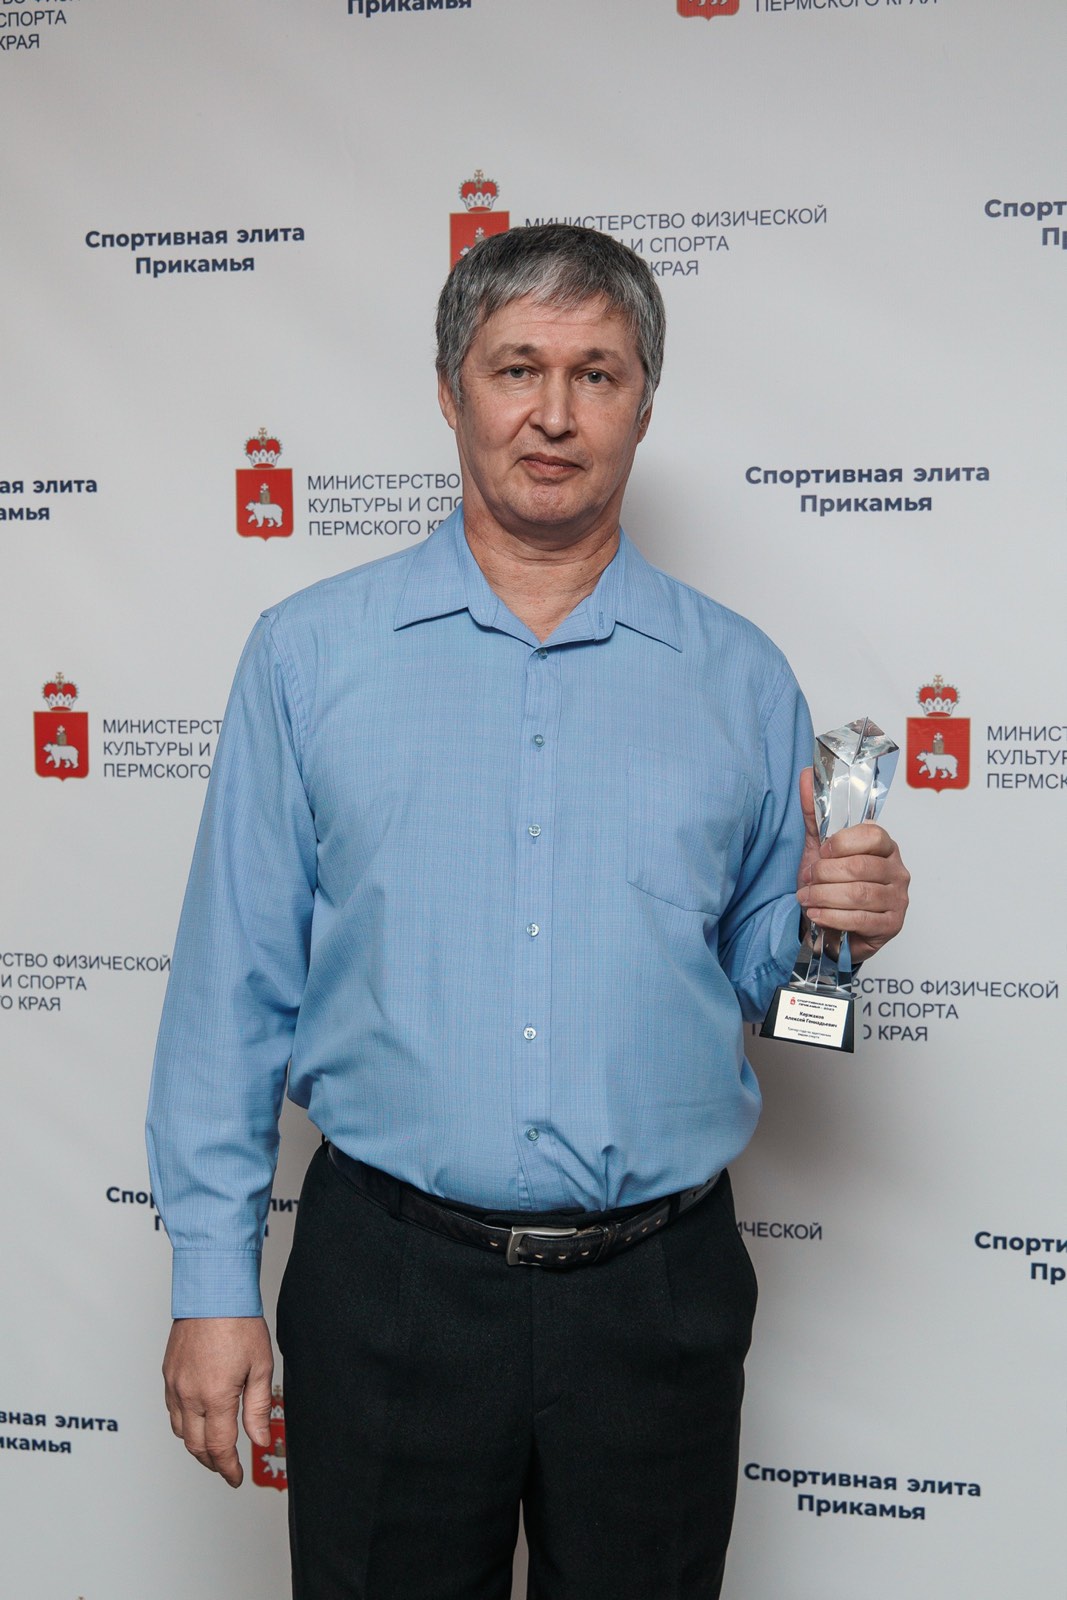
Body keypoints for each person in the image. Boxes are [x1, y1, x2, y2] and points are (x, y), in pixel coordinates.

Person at [147, 224, 909, 1599]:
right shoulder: (309, 657)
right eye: (517, 369)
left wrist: (833, 933)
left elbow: (771, 987)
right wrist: (211, 1284)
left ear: (643, 407)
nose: (554, 414)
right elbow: (229, 993)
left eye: (596, 374)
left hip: (658, 1297)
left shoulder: (741, 678)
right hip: (388, 1288)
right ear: (452, 393)